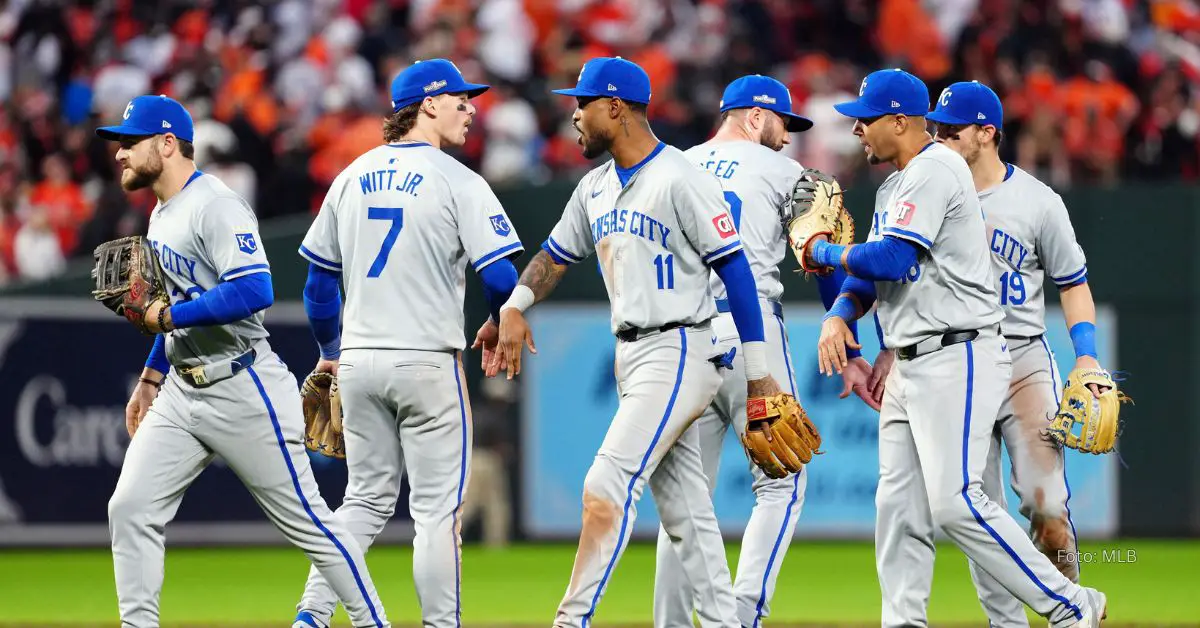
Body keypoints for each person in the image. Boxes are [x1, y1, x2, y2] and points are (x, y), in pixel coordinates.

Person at [805, 69, 1107, 627]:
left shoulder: (938, 171)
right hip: (909, 358)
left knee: (961, 504)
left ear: (901, 120)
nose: (857, 130)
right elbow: (872, 274)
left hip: (961, 352)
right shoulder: (898, 184)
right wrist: (838, 314)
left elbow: (891, 260)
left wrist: (823, 251)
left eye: (866, 119)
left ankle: (1071, 602)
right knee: (898, 511)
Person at [494, 57, 787, 628]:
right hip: (632, 354)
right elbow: (554, 257)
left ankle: (571, 619)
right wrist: (514, 305)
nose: (573, 116)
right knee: (686, 513)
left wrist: (758, 374)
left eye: (581, 104)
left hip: (679, 347)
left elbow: (737, 273)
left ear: (616, 107)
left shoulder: (680, 176)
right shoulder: (594, 187)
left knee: (608, 481)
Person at [100, 95, 389, 628]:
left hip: (243, 383)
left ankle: (375, 622)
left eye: (128, 142)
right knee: (130, 507)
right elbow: (176, 306)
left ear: (167, 144)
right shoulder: (162, 213)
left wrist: (168, 319)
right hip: (182, 391)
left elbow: (255, 288)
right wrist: (151, 373)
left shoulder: (214, 203)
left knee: (312, 527)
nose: (118, 153)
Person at [291, 59, 523, 628]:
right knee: (437, 514)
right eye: (460, 99)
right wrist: (501, 319)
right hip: (426, 361)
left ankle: (311, 616)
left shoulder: (349, 176)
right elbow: (499, 278)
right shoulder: (458, 179)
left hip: (362, 362)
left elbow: (318, 283)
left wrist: (329, 351)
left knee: (364, 502)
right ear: (427, 105)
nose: (471, 108)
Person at [652, 74, 871, 628]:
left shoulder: (670, 165)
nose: (785, 138)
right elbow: (821, 264)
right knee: (783, 482)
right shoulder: (786, 172)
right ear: (754, 117)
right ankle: (741, 614)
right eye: (781, 125)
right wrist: (844, 340)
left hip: (680, 336)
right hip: (752, 334)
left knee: (684, 498)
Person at [927, 80, 1110, 627]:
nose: (938, 137)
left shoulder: (1036, 201)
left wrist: (1085, 356)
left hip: (1022, 359)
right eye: (934, 128)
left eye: (950, 130)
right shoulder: (929, 191)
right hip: (957, 362)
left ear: (987, 132)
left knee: (1047, 508)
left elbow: (1073, 282)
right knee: (978, 512)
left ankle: (1071, 608)